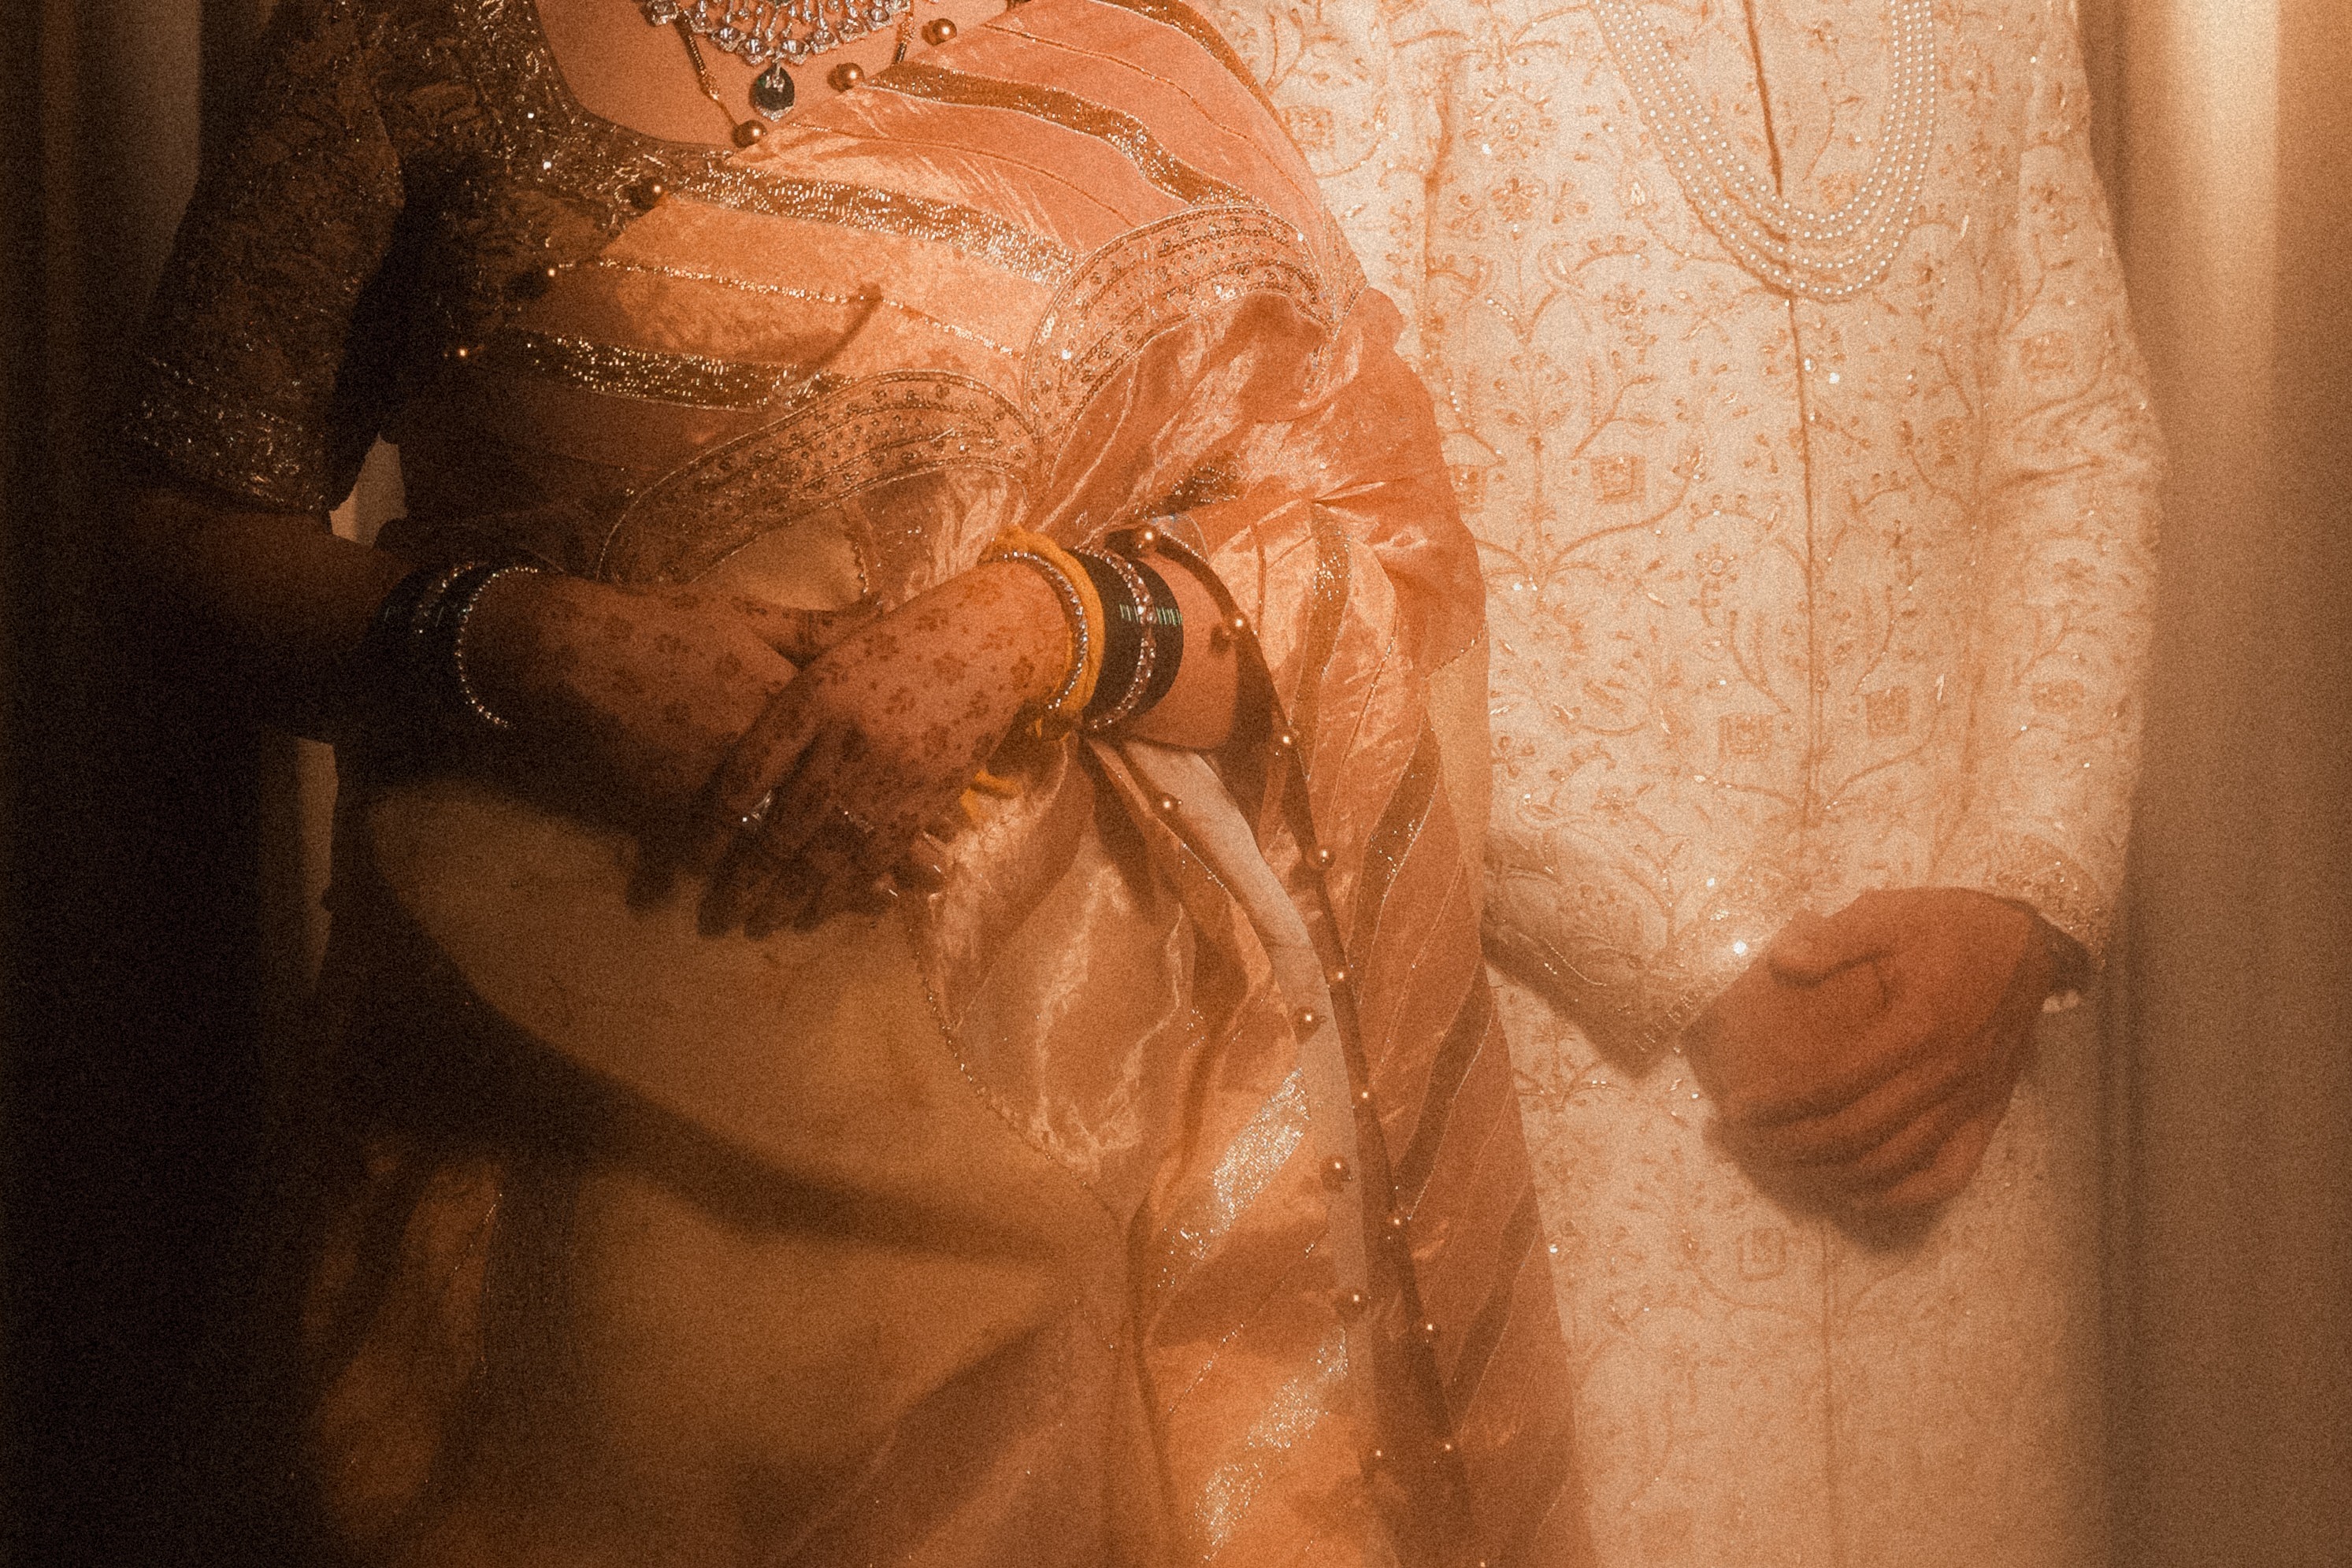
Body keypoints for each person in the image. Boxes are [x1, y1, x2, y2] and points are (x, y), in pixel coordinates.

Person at [117, 0, 1596, 1561]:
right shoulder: (408, 34)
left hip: (1041, 1134)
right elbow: (176, 536)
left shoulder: (1140, 68)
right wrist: (524, 642)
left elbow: (1384, 563)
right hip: (522, 1171)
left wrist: (1038, 626)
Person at [1201, 0, 2157, 1562]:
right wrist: (1690, 947)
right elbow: (1320, 520)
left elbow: (2075, 449)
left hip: (1955, 1095)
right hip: (1565, 1077)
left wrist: (2019, 895)